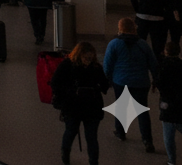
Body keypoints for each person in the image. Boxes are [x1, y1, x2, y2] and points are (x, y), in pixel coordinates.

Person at [51, 40, 110, 165]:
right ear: (80, 55)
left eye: (90, 58)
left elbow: (55, 83)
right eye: (86, 57)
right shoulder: (94, 67)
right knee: (86, 135)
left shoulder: (68, 65)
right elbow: (105, 86)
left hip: (75, 106)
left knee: (77, 133)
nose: (88, 60)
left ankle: (68, 154)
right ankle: (85, 159)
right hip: (87, 106)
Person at [103, 17, 157, 152]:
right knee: (142, 111)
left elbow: (107, 64)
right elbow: (153, 64)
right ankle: (147, 140)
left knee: (121, 107)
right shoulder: (143, 44)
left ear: (120, 29)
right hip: (141, 82)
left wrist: (106, 80)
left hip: (121, 81)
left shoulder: (114, 44)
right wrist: (156, 80)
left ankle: (121, 132)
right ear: (134, 28)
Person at [156, 41, 182, 165]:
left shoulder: (162, 65)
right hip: (180, 102)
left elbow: (159, 83)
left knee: (168, 135)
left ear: (166, 52)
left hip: (167, 102)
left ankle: (172, 160)